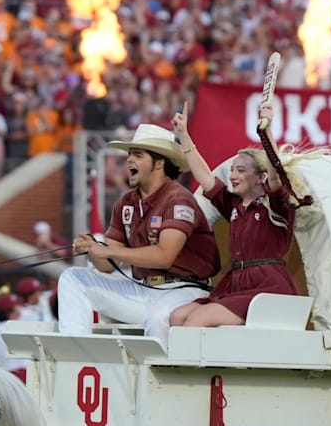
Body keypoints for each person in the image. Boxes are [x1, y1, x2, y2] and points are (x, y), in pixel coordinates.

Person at [59, 123, 219, 336]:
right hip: (143, 289)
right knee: (72, 278)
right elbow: (107, 266)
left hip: (185, 290)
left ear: (159, 163)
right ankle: (74, 353)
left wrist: (109, 251)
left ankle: (160, 369)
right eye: (130, 154)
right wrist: (92, 249)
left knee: (159, 316)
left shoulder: (179, 198)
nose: (129, 160)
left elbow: (164, 256)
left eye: (138, 155)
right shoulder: (127, 202)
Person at [168, 100, 300, 328]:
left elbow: (276, 174)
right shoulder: (235, 207)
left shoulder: (276, 205)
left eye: (240, 170)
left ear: (260, 177)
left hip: (268, 286)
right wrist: (184, 136)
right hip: (237, 284)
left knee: (195, 321)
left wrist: (266, 131)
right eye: (231, 170)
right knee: (177, 317)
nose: (233, 175)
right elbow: (206, 178)